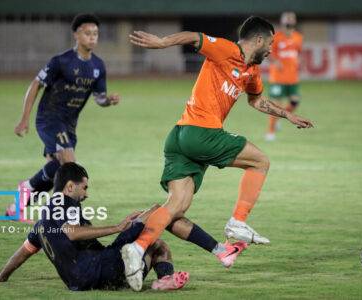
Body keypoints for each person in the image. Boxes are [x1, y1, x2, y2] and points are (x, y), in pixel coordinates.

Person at [122, 16, 314, 291]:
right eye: (270, 43)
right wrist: (163, 42)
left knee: (175, 207)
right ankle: (238, 222)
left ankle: (137, 248)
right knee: (260, 161)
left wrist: (287, 115)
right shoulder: (227, 50)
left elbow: (256, 99)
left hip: (180, 137)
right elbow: (194, 36)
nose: (272, 49)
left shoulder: (251, 70)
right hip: (201, 132)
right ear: (258, 40)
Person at [0, 163, 189, 291]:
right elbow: (72, 233)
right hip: (99, 268)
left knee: (154, 244)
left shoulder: (42, 224)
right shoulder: (63, 202)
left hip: (81, 281)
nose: (86, 195)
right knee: (155, 212)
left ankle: (150, 277)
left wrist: (3, 276)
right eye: (85, 187)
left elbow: (23, 251)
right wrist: (118, 227)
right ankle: (205, 251)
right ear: (70, 186)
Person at [6, 14, 120, 222]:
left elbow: (99, 98)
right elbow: (35, 85)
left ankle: (18, 202)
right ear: (76, 34)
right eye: (88, 33)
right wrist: (24, 118)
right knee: (69, 163)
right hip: (49, 118)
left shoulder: (98, 66)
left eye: (95, 34)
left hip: (69, 124)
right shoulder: (61, 61)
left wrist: (108, 101)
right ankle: (70, 217)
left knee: (55, 173)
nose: (92, 37)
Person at [265, 12, 304, 141]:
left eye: (292, 18)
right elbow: (267, 53)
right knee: (276, 104)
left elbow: (299, 53)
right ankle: (270, 131)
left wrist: (299, 61)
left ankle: (279, 118)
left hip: (292, 77)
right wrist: (275, 61)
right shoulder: (276, 37)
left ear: (295, 20)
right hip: (278, 77)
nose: (289, 20)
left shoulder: (298, 37)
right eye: (287, 18)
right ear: (282, 20)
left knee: (295, 102)